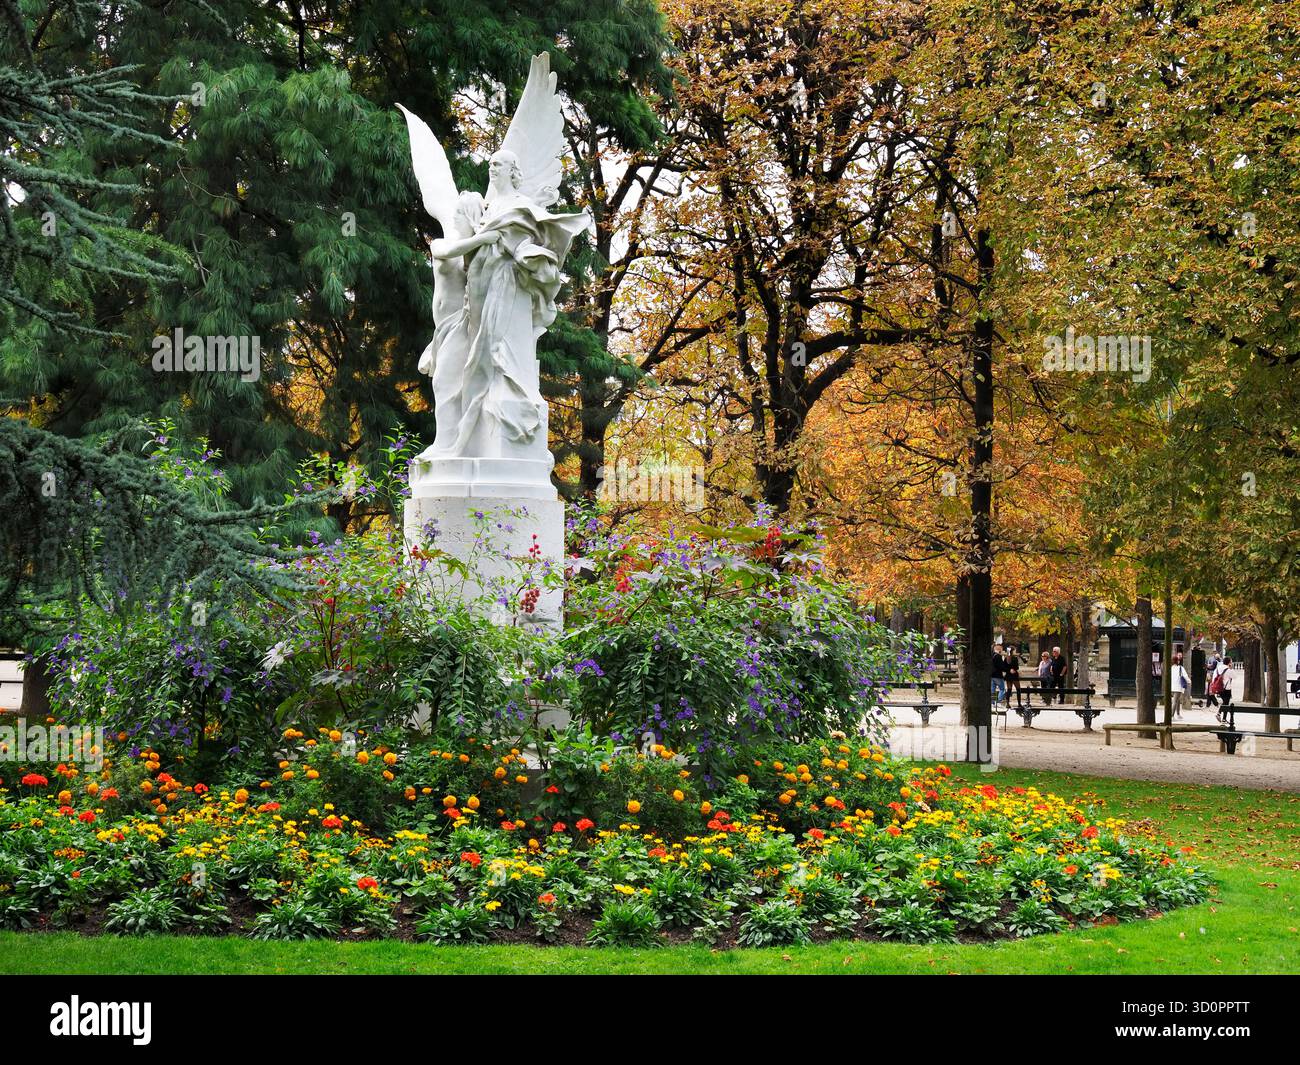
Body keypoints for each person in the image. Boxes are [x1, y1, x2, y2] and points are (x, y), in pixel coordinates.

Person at [1210, 655, 1234, 723]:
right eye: (1231, 662)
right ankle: (1220, 715)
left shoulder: (1218, 668)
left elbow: (1214, 677)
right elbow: (1235, 676)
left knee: (1225, 702)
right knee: (1226, 702)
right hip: (1227, 688)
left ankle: (1222, 717)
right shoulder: (1228, 669)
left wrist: (1213, 686)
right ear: (1229, 662)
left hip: (1219, 687)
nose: (1231, 663)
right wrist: (1231, 668)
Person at [1170, 652, 1191, 720]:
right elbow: (1185, 676)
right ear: (1177, 661)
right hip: (1178, 686)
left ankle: (1178, 714)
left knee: (1177, 700)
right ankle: (1172, 716)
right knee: (1175, 701)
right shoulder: (1180, 668)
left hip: (1171, 686)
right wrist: (1189, 681)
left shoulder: (1170, 668)